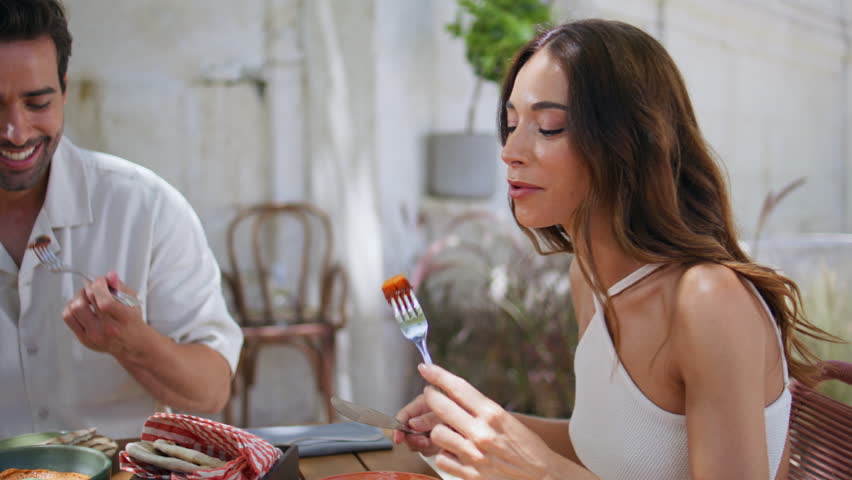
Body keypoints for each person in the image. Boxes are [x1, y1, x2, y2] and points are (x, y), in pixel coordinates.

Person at [393, 19, 835, 480]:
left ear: (629, 142)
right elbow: (614, 451)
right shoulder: (589, 277)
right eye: (511, 123)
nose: (511, 150)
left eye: (549, 127)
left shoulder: (707, 299)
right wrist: (480, 428)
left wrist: (542, 472)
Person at [0, 0, 243, 439]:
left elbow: (210, 392)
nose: (16, 132)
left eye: (37, 103)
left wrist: (132, 344)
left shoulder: (144, 208)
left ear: (64, 89)